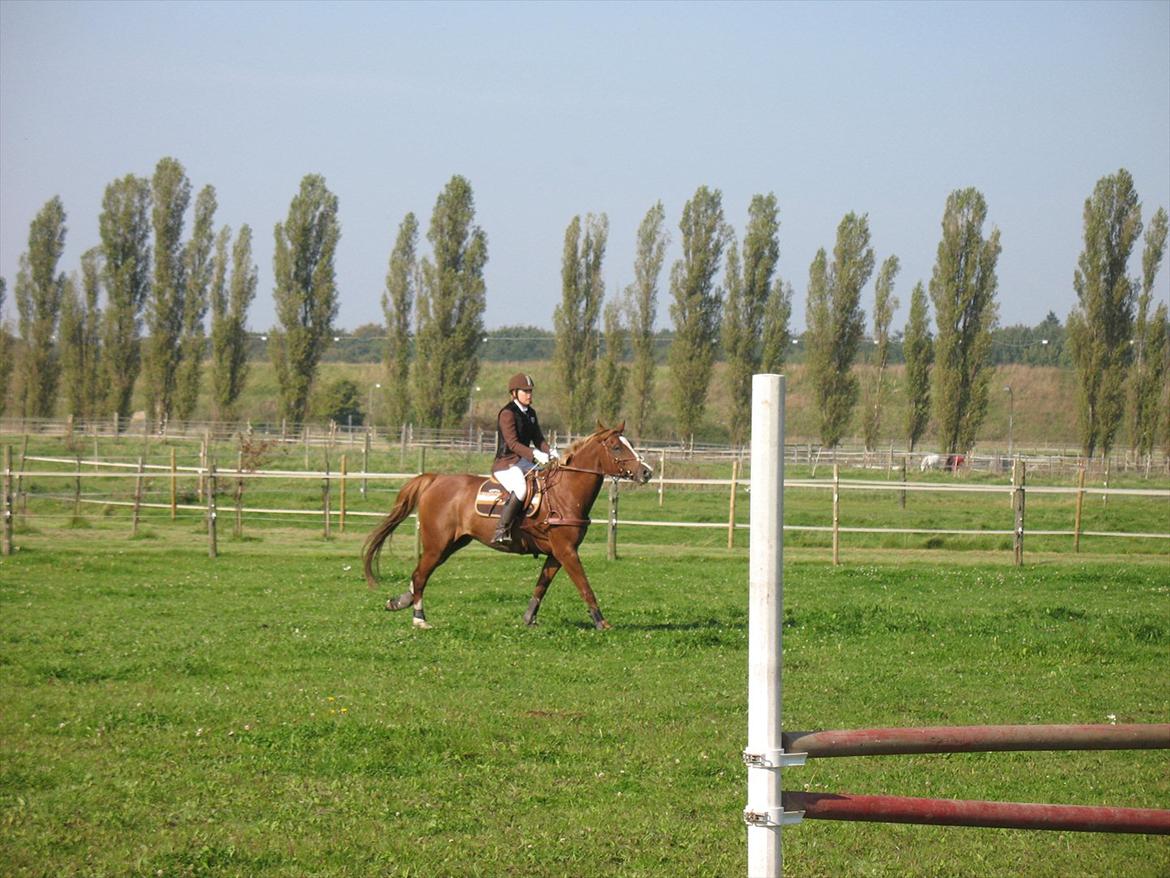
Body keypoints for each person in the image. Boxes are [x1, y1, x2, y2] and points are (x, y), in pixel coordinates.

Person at [491, 372, 556, 545]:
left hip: (523, 461)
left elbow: (538, 439)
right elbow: (512, 443)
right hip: (506, 463)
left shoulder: (531, 413)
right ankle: (501, 531)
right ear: (514, 393)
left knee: (548, 478)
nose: (529, 395)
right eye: (525, 391)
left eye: (530, 391)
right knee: (521, 489)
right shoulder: (507, 413)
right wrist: (534, 454)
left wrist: (550, 452)